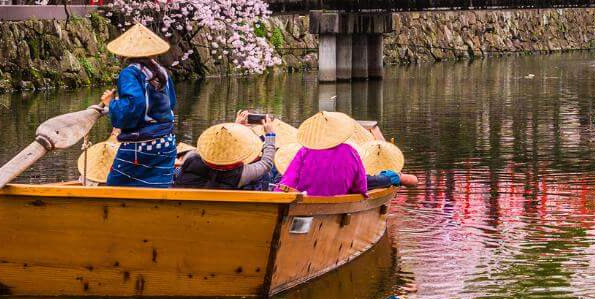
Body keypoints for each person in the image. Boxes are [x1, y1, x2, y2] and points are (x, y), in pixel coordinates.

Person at [99, 23, 178, 187]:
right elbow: (171, 103)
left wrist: (111, 103)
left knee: (115, 186)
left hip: (141, 146)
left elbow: (133, 106)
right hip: (166, 142)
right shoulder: (162, 71)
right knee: (158, 187)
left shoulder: (130, 73)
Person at [282, 110, 419, 197]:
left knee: (380, 179)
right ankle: (396, 177)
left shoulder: (304, 151)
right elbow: (360, 186)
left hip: (308, 200)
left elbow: (286, 184)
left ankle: (396, 177)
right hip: (341, 198)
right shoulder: (349, 152)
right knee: (381, 179)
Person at [175, 113, 282, 191]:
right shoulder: (239, 175)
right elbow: (266, 163)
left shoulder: (192, 157)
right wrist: (270, 135)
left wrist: (235, 127)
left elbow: (204, 151)